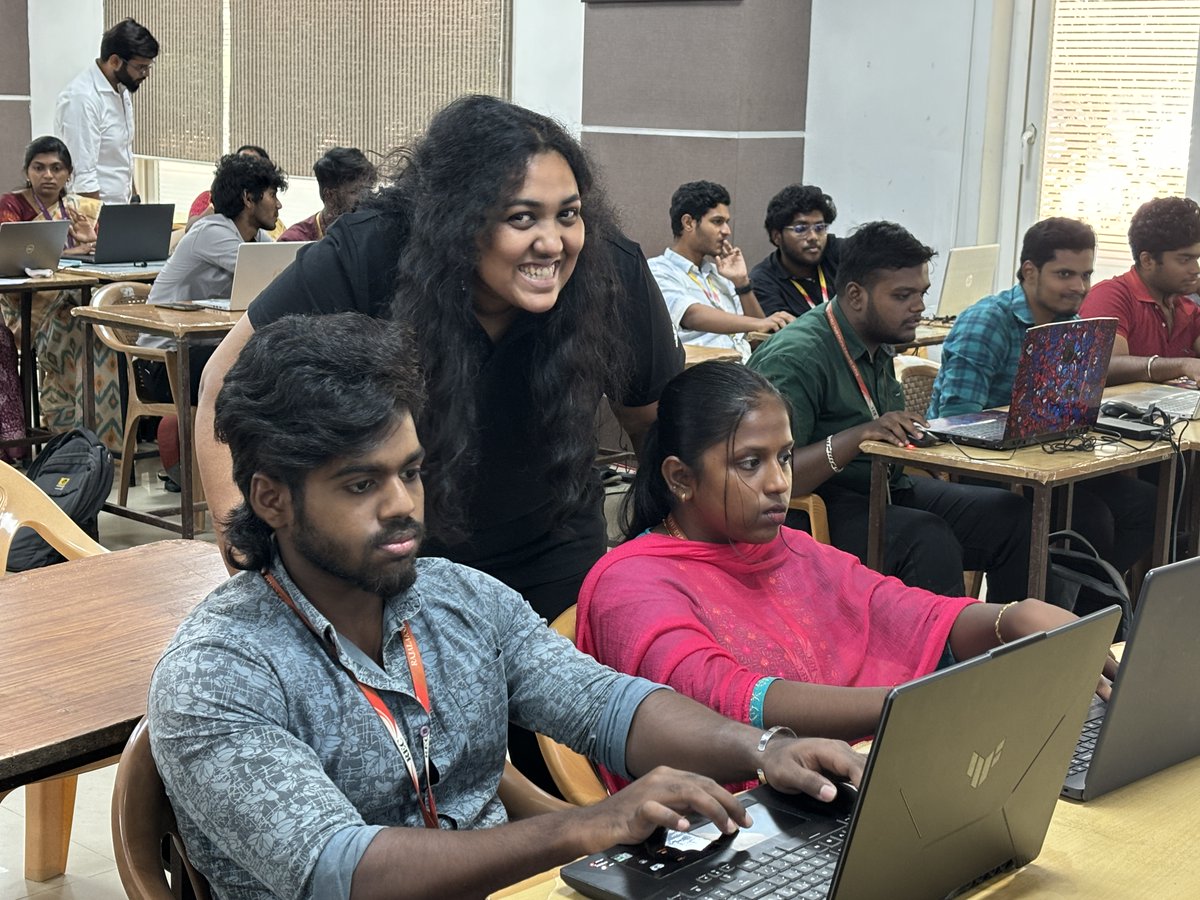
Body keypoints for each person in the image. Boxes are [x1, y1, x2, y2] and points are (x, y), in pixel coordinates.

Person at [149, 313, 863, 900]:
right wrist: (583, 827)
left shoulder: (457, 598)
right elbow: (343, 871)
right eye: (361, 485)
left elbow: (605, 704)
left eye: (409, 472)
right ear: (272, 497)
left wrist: (764, 749)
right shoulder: (220, 671)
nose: (403, 506)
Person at [196, 95, 680, 624]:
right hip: (391, 559)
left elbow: (654, 428)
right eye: (522, 217)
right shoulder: (371, 252)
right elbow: (224, 384)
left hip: (554, 562)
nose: (553, 242)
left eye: (568, 214)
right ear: (458, 219)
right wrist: (245, 553)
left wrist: (655, 568)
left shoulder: (610, 268)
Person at [574, 361, 1113, 792]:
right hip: (735, 817)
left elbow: (908, 611)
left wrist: (1011, 618)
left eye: (784, 457)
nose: (778, 483)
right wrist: (920, 706)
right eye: (749, 463)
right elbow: (724, 700)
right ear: (681, 478)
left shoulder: (791, 550)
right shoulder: (633, 583)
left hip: (842, 780)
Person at [747, 221, 1033, 601]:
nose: (918, 307)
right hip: (816, 508)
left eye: (921, 293)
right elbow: (775, 480)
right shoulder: (797, 357)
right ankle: (942, 660)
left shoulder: (876, 338)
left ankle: (1011, 647)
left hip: (884, 486)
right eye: (902, 296)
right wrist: (859, 436)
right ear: (855, 295)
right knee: (927, 539)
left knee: (1011, 515)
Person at [929, 218, 1156, 578]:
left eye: (1086, 275)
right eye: (1065, 274)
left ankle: (1088, 606)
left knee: (1144, 504)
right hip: (982, 467)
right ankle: (1052, 617)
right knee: (1089, 519)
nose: (1079, 287)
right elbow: (957, 420)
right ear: (1030, 271)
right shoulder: (987, 321)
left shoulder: (1072, 323)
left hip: (1046, 459)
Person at [0, 137, 121, 448]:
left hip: (72, 302)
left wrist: (91, 242)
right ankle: (67, 434)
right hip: (24, 307)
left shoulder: (81, 209)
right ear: (27, 172)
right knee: (75, 330)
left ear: (69, 173)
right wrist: (73, 251)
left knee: (100, 334)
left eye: (57, 168)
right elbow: (9, 258)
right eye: (39, 167)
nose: (48, 175)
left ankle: (99, 442)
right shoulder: (11, 206)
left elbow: (109, 255)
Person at [648, 180, 793, 361]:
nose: (726, 231)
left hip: (745, 373)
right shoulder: (658, 270)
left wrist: (742, 284)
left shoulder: (720, 276)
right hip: (702, 377)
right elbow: (691, 315)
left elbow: (759, 340)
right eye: (717, 222)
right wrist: (759, 323)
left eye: (727, 223)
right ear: (688, 223)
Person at [1079, 196, 1200, 385]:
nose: (1196, 269)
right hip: (1115, 414)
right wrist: (1182, 366)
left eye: (1197, 259)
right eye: (1185, 260)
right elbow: (1103, 367)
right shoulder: (1110, 296)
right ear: (1147, 261)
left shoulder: (1186, 307)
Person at [53, 18, 158, 204]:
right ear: (115, 61)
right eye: (141, 67)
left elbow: (122, 153)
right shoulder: (82, 99)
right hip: (96, 217)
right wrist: (98, 228)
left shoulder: (121, 88)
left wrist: (134, 200)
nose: (146, 74)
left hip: (121, 210)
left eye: (148, 66)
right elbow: (83, 177)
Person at [749, 184, 842, 317]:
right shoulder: (762, 281)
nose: (813, 237)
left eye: (820, 227)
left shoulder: (838, 252)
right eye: (801, 229)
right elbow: (786, 333)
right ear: (777, 237)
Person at [184, 144, 287, 239]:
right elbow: (190, 229)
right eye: (272, 195)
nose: (279, 205)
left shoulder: (257, 233)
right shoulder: (213, 232)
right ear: (248, 198)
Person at [278, 146, 376, 241]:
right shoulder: (294, 241)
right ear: (329, 196)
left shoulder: (373, 234)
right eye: (355, 191)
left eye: (368, 189)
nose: (365, 198)